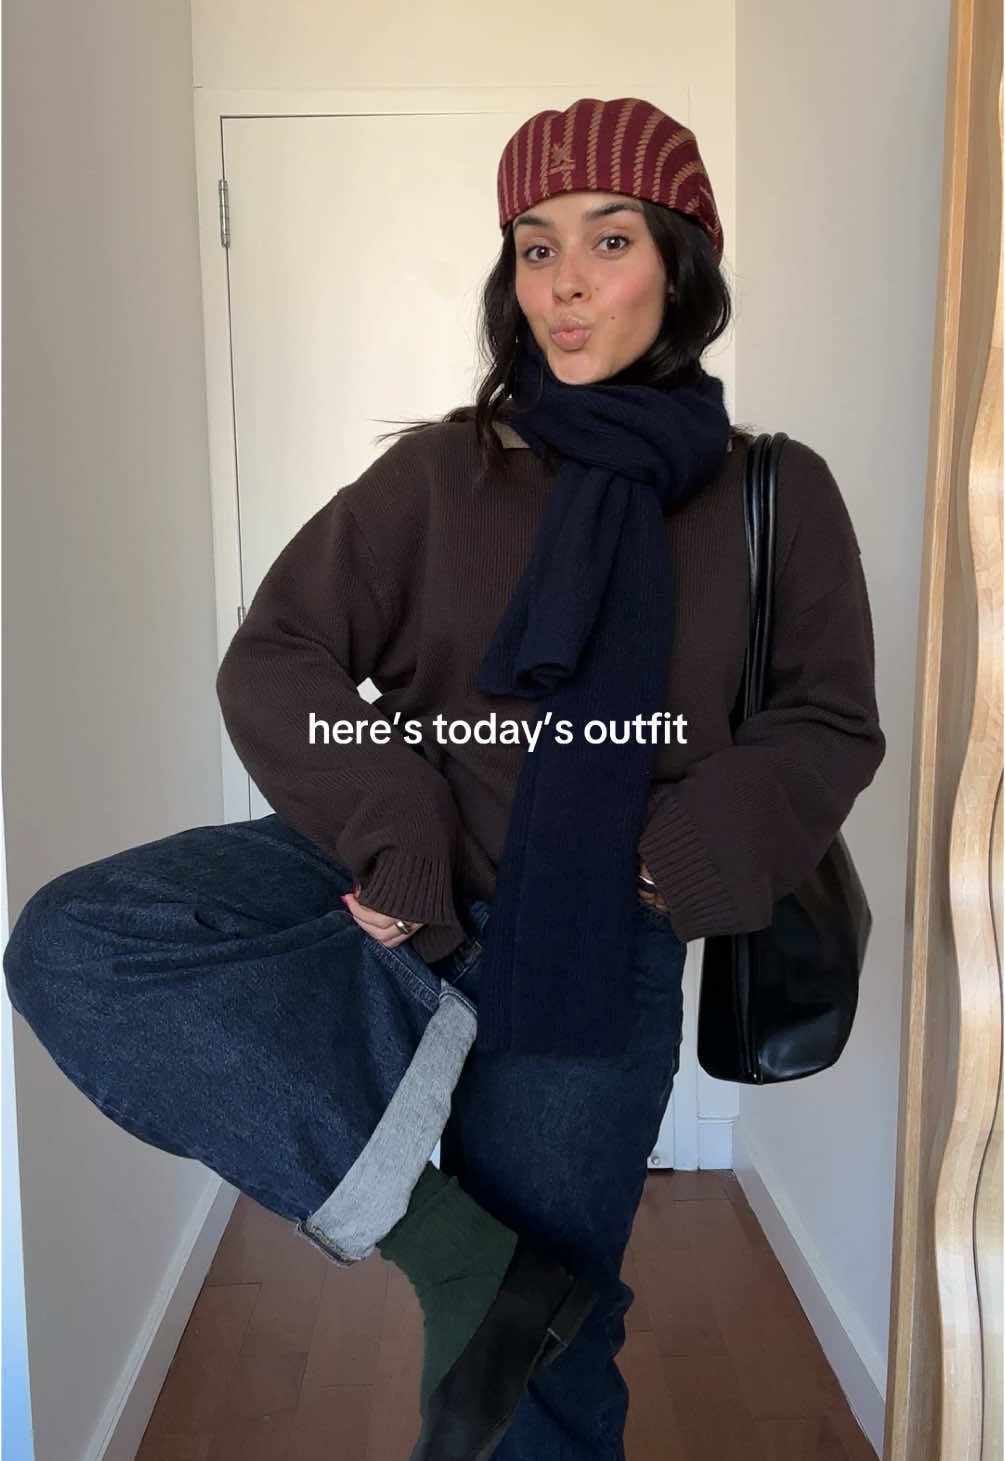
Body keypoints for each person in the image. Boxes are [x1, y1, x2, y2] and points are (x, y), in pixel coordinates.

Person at [3, 95, 886, 1460]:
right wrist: (390, 821)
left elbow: (825, 721)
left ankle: (503, 1299)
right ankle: (453, 1251)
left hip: (594, 937)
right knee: (77, 943)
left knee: (543, 1365)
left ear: (680, 263)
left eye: (608, 239)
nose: (565, 280)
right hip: (392, 891)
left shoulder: (773, 492)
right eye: (535, 246)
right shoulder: (439, 475)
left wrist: (667, 864)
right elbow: (278, 655)